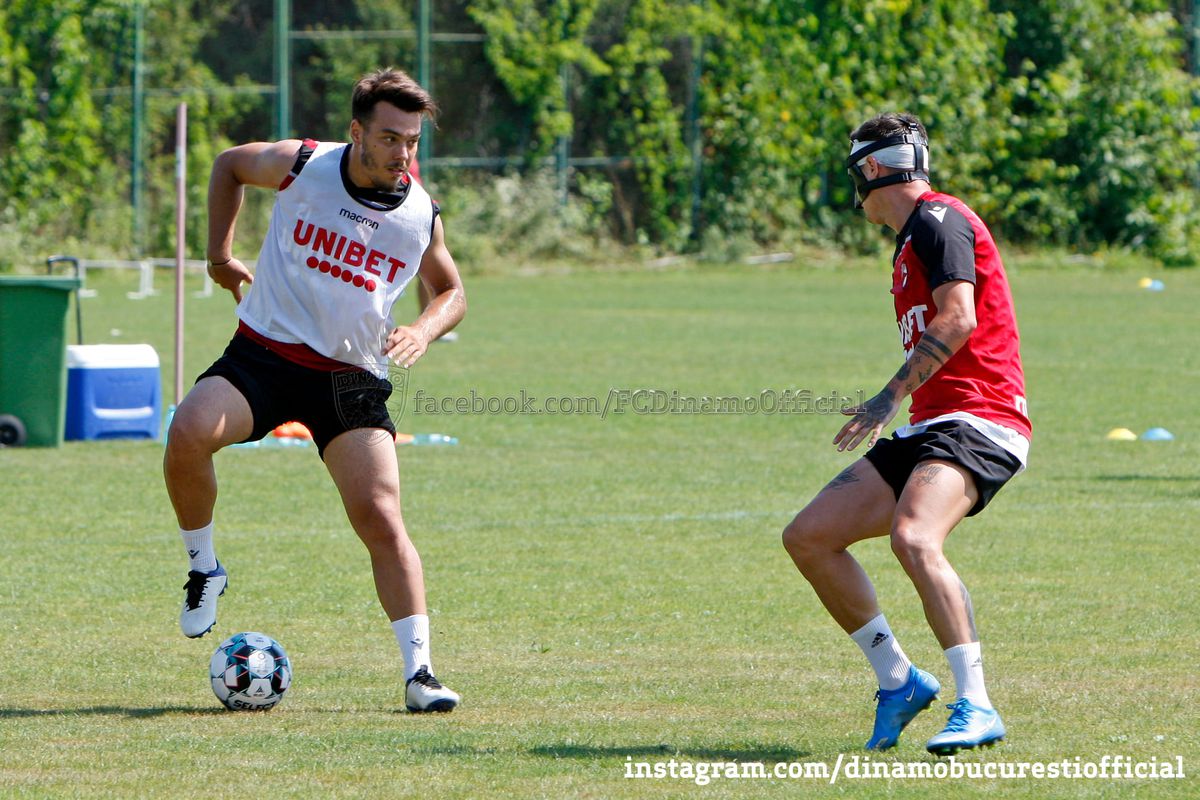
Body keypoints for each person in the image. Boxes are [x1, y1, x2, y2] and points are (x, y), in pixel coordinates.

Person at [164, 68, 465, 713]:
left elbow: (451, 291)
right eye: (389, 138)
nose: (403, 153)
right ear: (356, 131)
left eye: (412, 140)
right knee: (187, 431)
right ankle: (204, 567)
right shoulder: (302, 164)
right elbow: (227, 165)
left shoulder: (420, 213)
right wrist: (219, 258)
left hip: (350, 379)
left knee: (381, 517)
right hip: (265, 356)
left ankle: (420, 674)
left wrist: (423, 328)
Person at [782, 112, 1030, 755]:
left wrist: (888, 397)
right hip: (934, 425)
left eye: (855, 175)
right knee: (810, 537)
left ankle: (976, 703)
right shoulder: (910, 237)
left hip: (981, 419)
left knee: (914, 537)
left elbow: (959, 317)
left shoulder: (939, 219)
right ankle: (899, 680)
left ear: (872, 170)